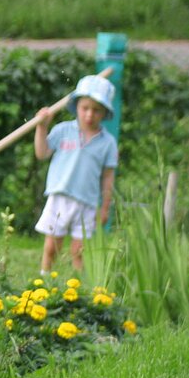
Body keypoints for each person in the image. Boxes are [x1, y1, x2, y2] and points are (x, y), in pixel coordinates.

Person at [33, 74, 119, 277]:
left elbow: (108, 177)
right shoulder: (63, 131)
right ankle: (44, 279)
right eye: (85, 108)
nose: (89, 115)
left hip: (87, 203)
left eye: (96, 110)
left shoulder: (107, 142)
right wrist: (41, 127)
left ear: (104, 112)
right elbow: (42, 153)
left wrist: (105, 207)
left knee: (78, 250)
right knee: (52, 246)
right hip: (60, 197)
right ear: (77, 106)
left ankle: (78, 286)